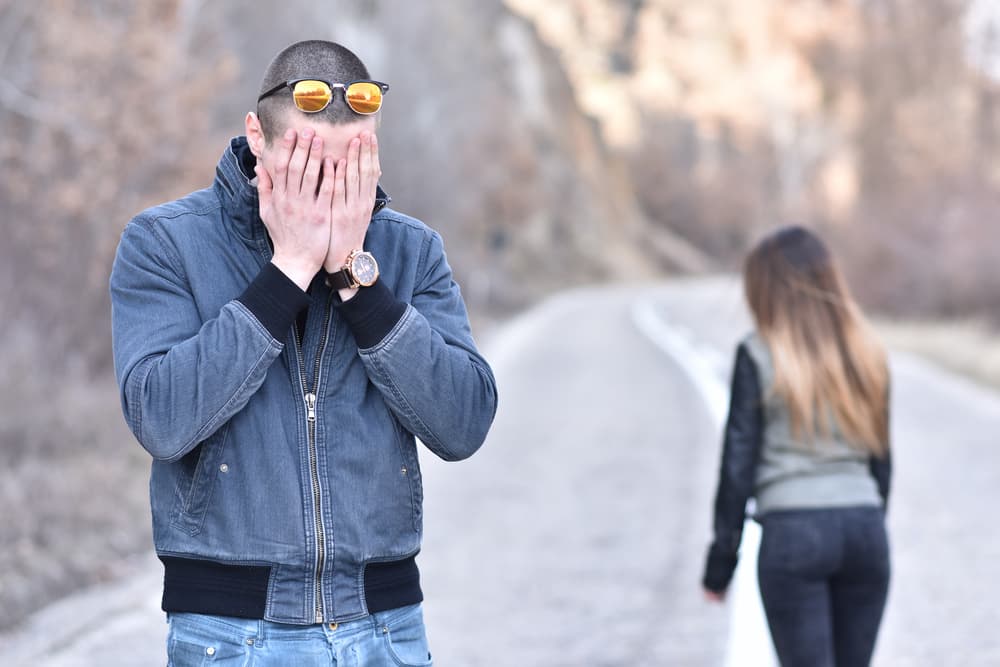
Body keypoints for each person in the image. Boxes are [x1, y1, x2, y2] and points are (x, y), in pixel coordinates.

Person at [110, 40, 497, 665]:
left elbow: (464, 422)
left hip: (386, 627)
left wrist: (355, 275)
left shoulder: (409, 251)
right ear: (256, 138)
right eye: (309, 166)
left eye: (351, 169)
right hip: (230, 635)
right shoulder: (164, 243)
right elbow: (161, 418)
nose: (332, 190)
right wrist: (287, 269)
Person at [701, 226, 892, 667]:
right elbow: (883, 462)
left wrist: (720, 565)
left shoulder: (757, 353)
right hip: (865, 530)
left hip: (794, 535)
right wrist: (866, 525)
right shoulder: (869, 351)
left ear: (764, 289)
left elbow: (737, 467)